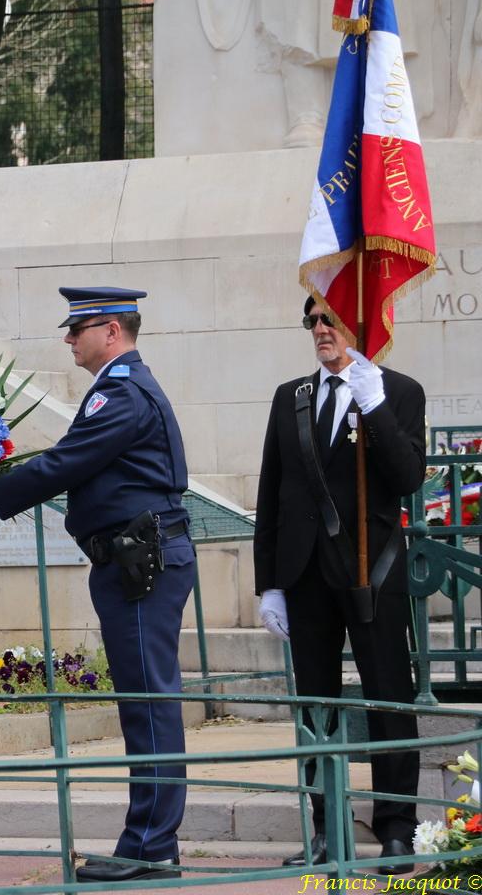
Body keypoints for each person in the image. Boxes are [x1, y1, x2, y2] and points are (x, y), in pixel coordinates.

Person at [0, 287, 194, 882]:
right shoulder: (117, 388)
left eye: (76, 328)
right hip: (130, 561)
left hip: (142, 564)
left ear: (111, 331)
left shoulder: (122, 391)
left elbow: (68, 462)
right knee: (141, 699)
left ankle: (152, 844)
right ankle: (147, 842)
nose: (67, 339)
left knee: (148, 702)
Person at [254, 296, 426, 875]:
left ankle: (398, 829)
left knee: (387, 700)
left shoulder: (398, 392)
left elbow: (404, 479)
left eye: (330, 319)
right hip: (303, 576)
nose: (320, 330)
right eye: (312, 321)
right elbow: (272, 494)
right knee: (316, 705)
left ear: (360, 325)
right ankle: (326, 827)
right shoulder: (291, 397)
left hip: (368, 571)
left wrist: (372, 405)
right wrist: (268, 583)